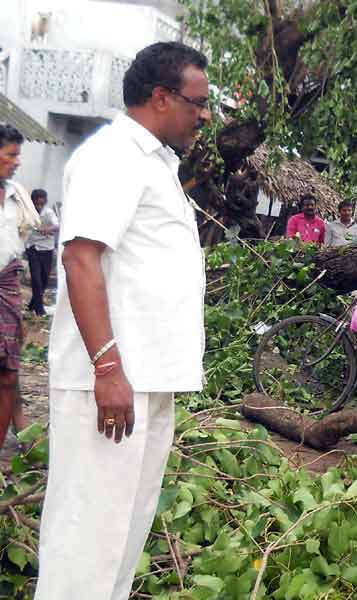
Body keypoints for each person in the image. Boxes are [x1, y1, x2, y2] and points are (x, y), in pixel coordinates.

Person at [36, 42, 210, 600]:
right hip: (109, 385)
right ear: (161, 98)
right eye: (198, 102)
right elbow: (80, 258)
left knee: (122, 541)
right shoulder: (112, 155)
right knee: (85, 542)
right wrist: (108, 369)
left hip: (148, 381)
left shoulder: (154, 161)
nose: (205, 115)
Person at [0, 124, 42, 451]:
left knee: (8, 372)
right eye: (11, 154)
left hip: (7, 286)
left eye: (18, 155)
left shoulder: (17, 196)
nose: (16, 162)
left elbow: (19, 241)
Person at [25, 188, 59, 315]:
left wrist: (48, 228)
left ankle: (32, 304)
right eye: (37, 204)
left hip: (47, 249)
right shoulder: (28, 212)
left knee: (44, 279)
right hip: (33, 247)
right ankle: (39, 309)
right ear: (32, 202)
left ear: (45, 202)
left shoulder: (49, 212)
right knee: (36, 279)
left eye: (42, 204)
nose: (39, 206)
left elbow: (56, 225)